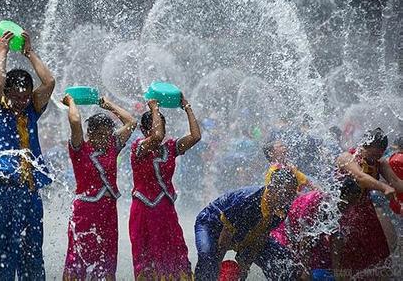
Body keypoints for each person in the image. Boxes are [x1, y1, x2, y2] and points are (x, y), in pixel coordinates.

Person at [0, 29, 55, 279]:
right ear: (6, 94)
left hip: (29, 190)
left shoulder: (31, 111)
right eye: (16, 96)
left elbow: (49, 83)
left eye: (26, 96)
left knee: (32, 250)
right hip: (0, 190)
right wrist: (2, 52)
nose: (22, 101)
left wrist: (29, 53)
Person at [62, 95, 137, 280]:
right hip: (84, 213)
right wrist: (71, 102)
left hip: (108, 213)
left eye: (106, 134)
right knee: (78, 256)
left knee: (107, 257)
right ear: (90, 134)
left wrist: (108, 104)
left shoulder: (113, 146)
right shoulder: (79, 148)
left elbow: (131, 122)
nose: (103, 138)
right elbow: (75, 120)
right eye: (98, 134)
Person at [129, 95, 201, 279]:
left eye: (162, 123)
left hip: (166, 211)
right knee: (148, 256)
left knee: (174, 252)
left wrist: (187, 107)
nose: (161, 128)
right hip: (144, 211)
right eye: (156, 123)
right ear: (144, 129)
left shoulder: (170, 148)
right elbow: (157, 136)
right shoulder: (139, 147)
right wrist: (154, 109)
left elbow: (196, 136)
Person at [194, 169, 300, 280]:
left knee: (281, 259)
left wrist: (245, 267)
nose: (288, 200)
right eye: (285, 194)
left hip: (244, 231)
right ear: (272, 189)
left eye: (291, 195)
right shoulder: (250, 200)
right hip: (211, 224)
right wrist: (217, 267)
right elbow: (226, 233)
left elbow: (261, 237)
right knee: (208, 259)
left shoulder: (282, 209)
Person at [334, 128, 403, 274]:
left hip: (365, 208)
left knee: (380, 254)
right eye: (373, 153)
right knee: (347, 256)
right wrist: (383, 187)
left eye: (380, 154)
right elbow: (361, 177)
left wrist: (388, 186)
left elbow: (396, 183)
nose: (375, 158)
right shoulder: (347, 157)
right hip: (343, 209)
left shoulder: (380, 162)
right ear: (364, 146)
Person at [270, 178, 363, 279]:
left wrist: (337, 269)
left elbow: (336, 238)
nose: (350, 207)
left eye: (354, 203)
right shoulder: (315, 202)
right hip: (285, 238)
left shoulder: (341, 207)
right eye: (349, 202)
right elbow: (305, 238)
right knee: (296, 273)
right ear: (340, 195)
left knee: (330, 267)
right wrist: (306, 270)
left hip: (309, 241)